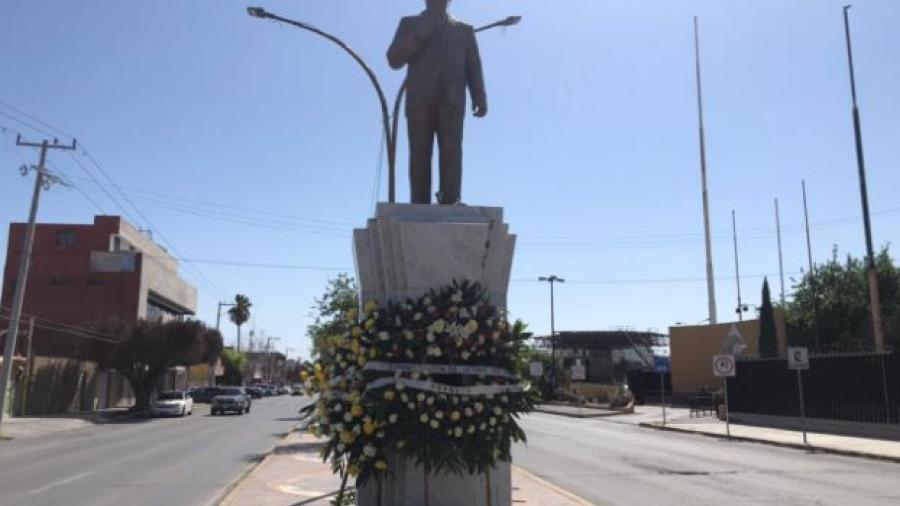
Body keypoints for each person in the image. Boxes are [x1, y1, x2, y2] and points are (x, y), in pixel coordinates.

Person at [387, 0, 487, 205]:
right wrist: (417, 36)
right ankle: (419, 203)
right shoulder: (409, 23)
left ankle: (451, 200)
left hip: (452, 100)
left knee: (452, 150)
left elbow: (473, 66)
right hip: (419, 101)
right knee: (419, 153)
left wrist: (479, 95)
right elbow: (393, 60)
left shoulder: (464, 30)